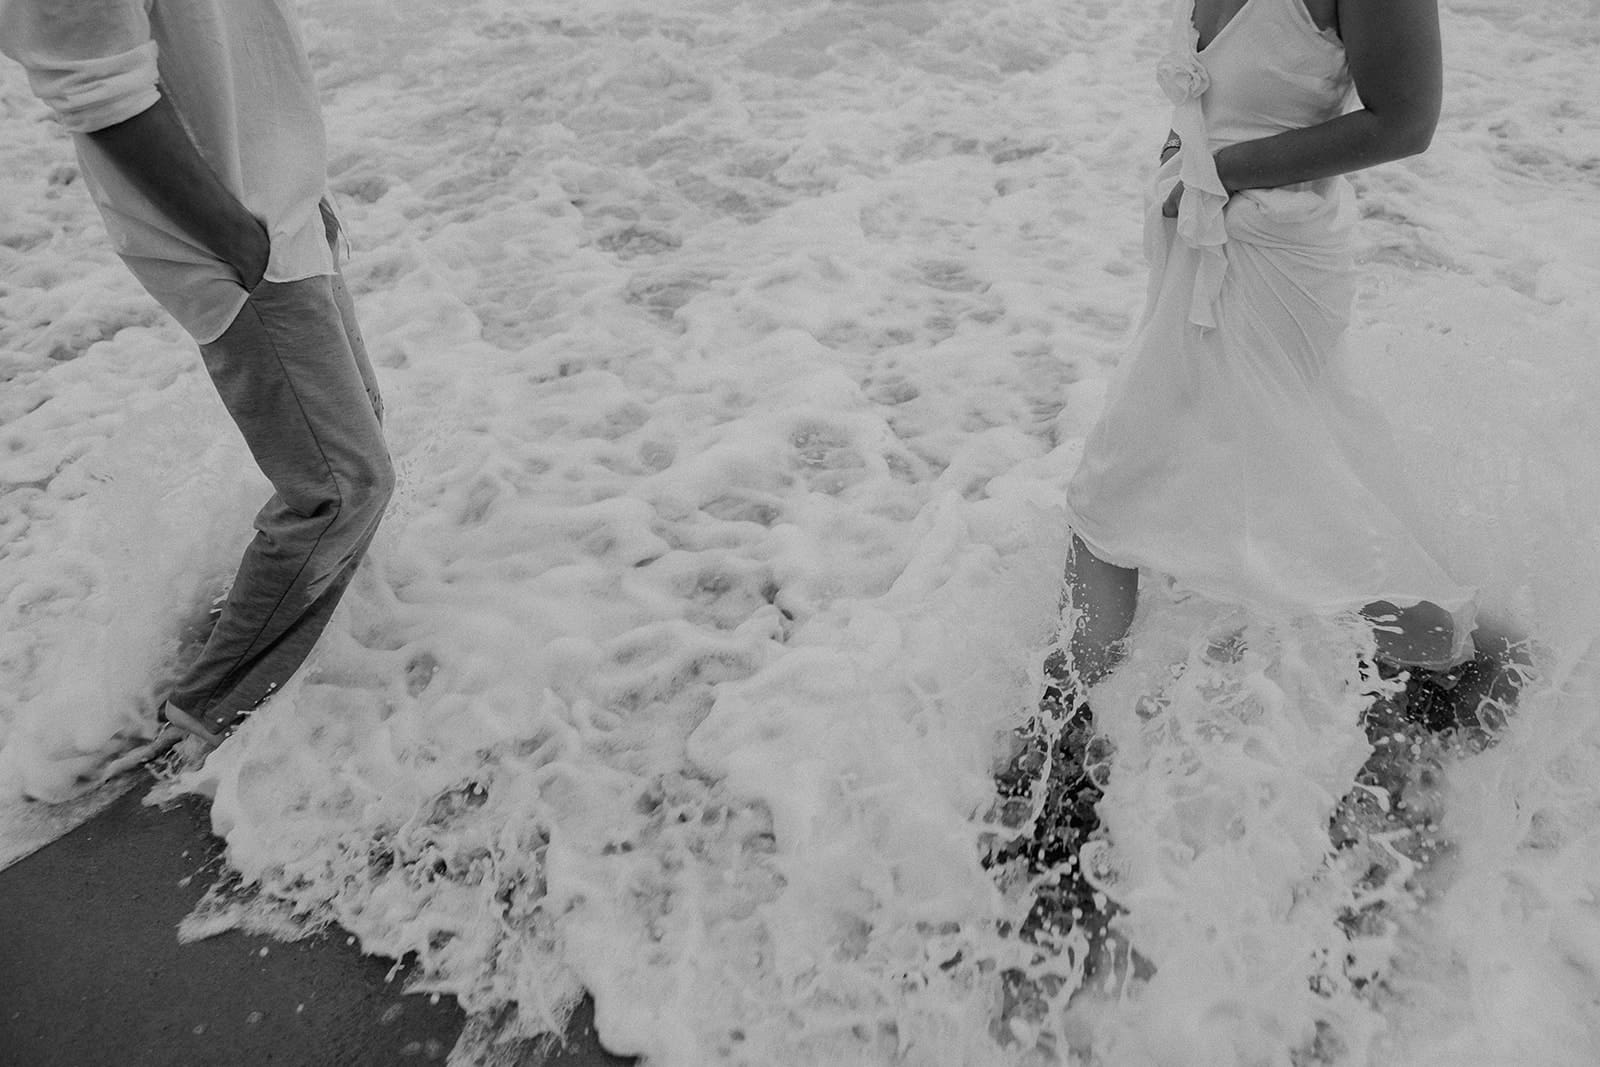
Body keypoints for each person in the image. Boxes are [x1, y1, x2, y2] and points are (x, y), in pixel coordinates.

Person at [1, 0, 394, 748]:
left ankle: (249, 641)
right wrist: (235, 235)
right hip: (230, 234)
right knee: (342, 488)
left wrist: (300, 190)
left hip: (275, 205)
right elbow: (98, 91)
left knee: (358, 443)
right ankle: (200, 719)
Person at [1062, 0, 1482, 693]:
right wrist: (1186, 153)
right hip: (1205, 251)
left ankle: (1062, 737)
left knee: (1117, 490)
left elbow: (1408, 120)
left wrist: (1223, 168)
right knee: (1288, 478)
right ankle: (1451, 657)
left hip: (1268, 261)